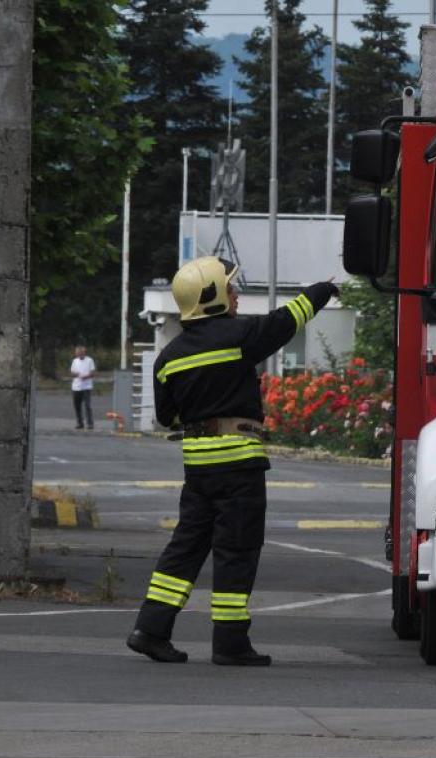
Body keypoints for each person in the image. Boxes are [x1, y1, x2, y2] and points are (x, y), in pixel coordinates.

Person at [126, 257, 338, 666]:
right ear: (213, 297)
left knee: (185, 547)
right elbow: (286, 320)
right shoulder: (239, 336)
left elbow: (166, 418)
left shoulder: (167, 359)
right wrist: (322, 290)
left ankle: (150, 629)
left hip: (198, 470)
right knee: (236, 550)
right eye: (230, 288)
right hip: (239, 466)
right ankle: (230, 642)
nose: (236, 294)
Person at [70, 346, 95, 430]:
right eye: (76, 353)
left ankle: (90, 423)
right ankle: (80, 423)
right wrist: (75, 374)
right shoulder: (75, 361)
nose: (77, 354)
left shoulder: (89, 360)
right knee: (77, 406)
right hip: (76, 387)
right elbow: (72, 372)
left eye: (79, 352)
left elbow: (92, 373)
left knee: (87, 405)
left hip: (86, 387)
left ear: (83, 352)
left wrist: (86, 377)